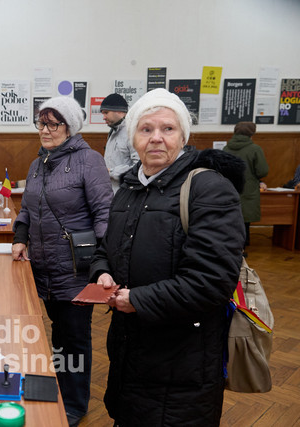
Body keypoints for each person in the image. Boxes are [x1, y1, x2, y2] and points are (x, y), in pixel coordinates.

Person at [89, 88, 246, 426]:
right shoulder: (128, 189)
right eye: (146, 129)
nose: (156, 138)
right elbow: (106, 249)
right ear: (134, 138)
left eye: (167, 129)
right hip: (130, 352)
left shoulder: (208, 189)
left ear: (183, 136)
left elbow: (212, 282)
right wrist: (102, 273)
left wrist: (139, 299)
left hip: (183, 363)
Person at [11, 96, 113, 427]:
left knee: (75, 337)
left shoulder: (90, 161)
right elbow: (26, 208)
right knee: (58, 334)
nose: (45, 130)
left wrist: (105, 262)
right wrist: (18, 239)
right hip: (43, 269)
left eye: (53, 124)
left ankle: (74, 404)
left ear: (69, 127)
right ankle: (59, 388)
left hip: (76, 269)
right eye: (41, 123)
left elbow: (104, 213)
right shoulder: (38, 164)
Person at [223, 121, 269, 247]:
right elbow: (262, 170)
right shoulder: (255, 149)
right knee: (245, 219)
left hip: (230, 188)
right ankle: (243, 244)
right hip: (248, 189)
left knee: (232, 217)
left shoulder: (226, 148)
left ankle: (232, 244)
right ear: (251, 134)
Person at [101, 93, 139, 192]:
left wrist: (111, 172)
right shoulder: (113, 131)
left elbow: (140, 167)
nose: (103, 117)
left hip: (126, 195)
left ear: (119, 111)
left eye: (106, 112)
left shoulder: (133, 132)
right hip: (110, 193)